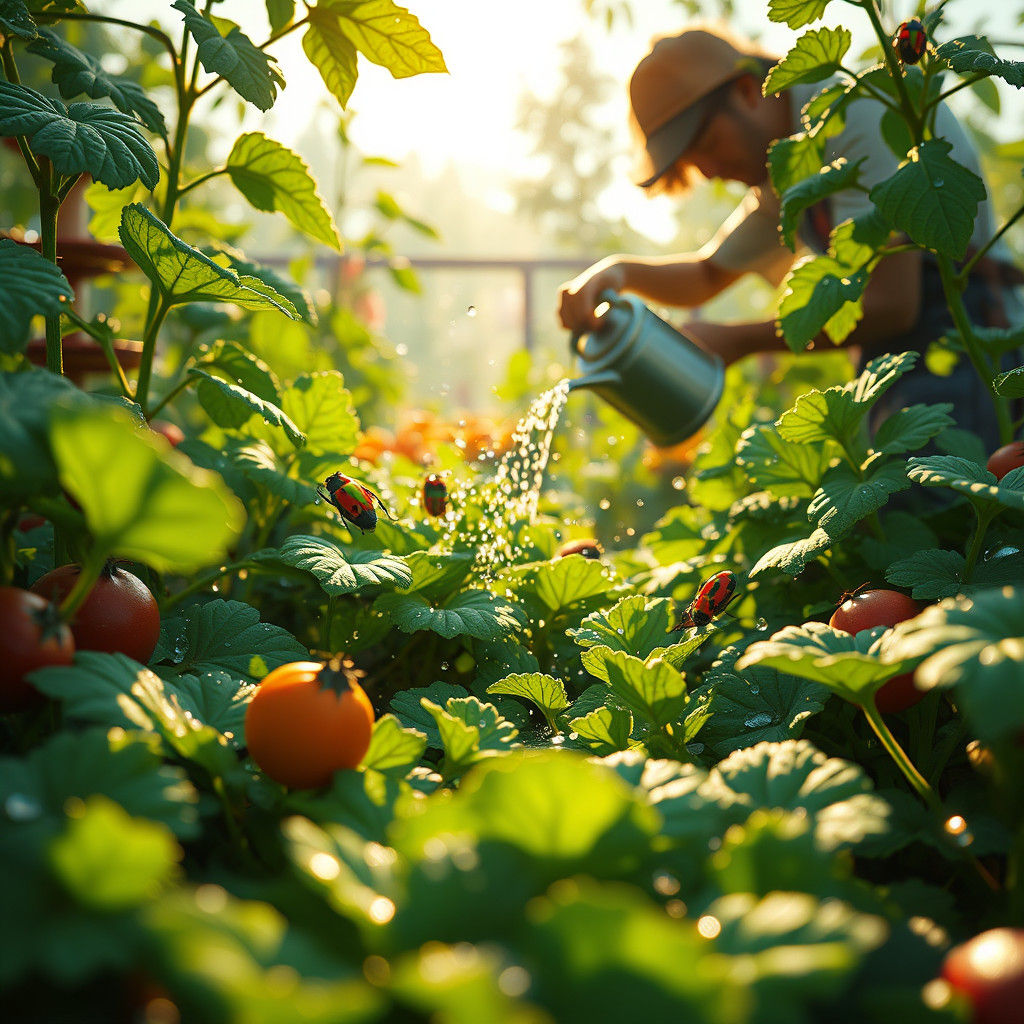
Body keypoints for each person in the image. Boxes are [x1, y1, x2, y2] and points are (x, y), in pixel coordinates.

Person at [557, 26, 1021, 448]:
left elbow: (894, 305)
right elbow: (707, 273)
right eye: (693, 162)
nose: (710, 171)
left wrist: (741, 340)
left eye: (707, 145)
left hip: (974, 338)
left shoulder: (854, 114)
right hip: (904, 357)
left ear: (745, 92)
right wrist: (616, 272)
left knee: (943, 513)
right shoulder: (790, 165)